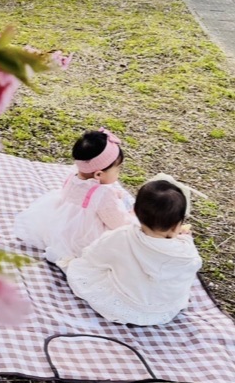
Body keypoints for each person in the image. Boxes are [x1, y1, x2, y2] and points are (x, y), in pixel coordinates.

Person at [60, 177, 202, 326]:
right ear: (176, 227)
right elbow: (191, 266)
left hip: (124, 305)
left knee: (88, 269)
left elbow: (94, 254)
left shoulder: (122, 236)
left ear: (135, 212)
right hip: (163, 311)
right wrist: (186, 240)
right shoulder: (186, 252)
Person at [13, 128, 134, 263]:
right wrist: (131, 218)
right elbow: (117, 222)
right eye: (118, 170)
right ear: (98, 174)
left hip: (62, 227)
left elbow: (87, 196)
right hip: (85, 237)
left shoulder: (74, 176)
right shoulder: (104, 194)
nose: (119, 173)